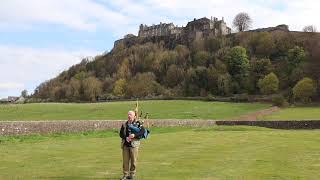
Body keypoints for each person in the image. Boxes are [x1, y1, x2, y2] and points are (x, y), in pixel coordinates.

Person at [119, 110, 145, 180]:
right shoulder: (124, 124)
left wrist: (135, 135)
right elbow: (121, 134)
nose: (129, 116)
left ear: (134, 116)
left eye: (130, 114)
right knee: (125, 161)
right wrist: (125, 137)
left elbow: (142, 131)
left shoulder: (138, 123)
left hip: (134, 145)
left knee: (133, 161)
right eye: (128, 114)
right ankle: (125, 175)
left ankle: (132, 175)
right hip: (125, 145)